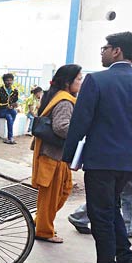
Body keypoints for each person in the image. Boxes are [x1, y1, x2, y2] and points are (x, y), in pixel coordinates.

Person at [63, 31, 132, 263]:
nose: (102, 52)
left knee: (100, 213)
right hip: (131, 162)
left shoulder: (96, 80)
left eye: (105, 47)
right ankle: (126, 259)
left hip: (101, 160)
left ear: (117, 51)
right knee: (112, 207)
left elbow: (80, 122)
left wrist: (68, 156)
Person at [31, 65, 82, 243]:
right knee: (52, 195)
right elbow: (61, 127)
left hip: (53, 154)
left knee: (62, 190)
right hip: (53, 155)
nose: (81, 82)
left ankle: (40, 221)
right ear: (68, 82)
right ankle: (44, 231)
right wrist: (80, 132)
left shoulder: (54, 95)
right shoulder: (65, 101)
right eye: (78, 79)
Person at [0, 73, 19, 144]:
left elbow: (15, 101)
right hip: (0, 111)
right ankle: (10, 137)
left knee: (14, 112)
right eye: (7, 80)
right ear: (4, 81)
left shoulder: (15, 91)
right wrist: (8, 105)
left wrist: (14, 105)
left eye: (11, 80)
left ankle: (10, 135)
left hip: (8, 110)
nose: (9, 82)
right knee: (9, 117)